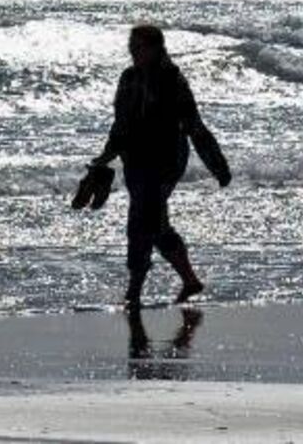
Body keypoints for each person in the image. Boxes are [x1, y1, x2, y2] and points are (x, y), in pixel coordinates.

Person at [91, 25, 232, 309]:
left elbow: (194, 126)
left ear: (156, 49)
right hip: (136, 161)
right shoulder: (129, 78)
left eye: (139, 46)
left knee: (141, 221)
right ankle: (190, 281)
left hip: (165, 160)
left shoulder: (172, 81)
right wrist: (105, 157)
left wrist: (217, 165)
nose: (133, 51)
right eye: (131, 46)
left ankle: (134, 292)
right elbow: (120, 124)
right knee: (154, 223)